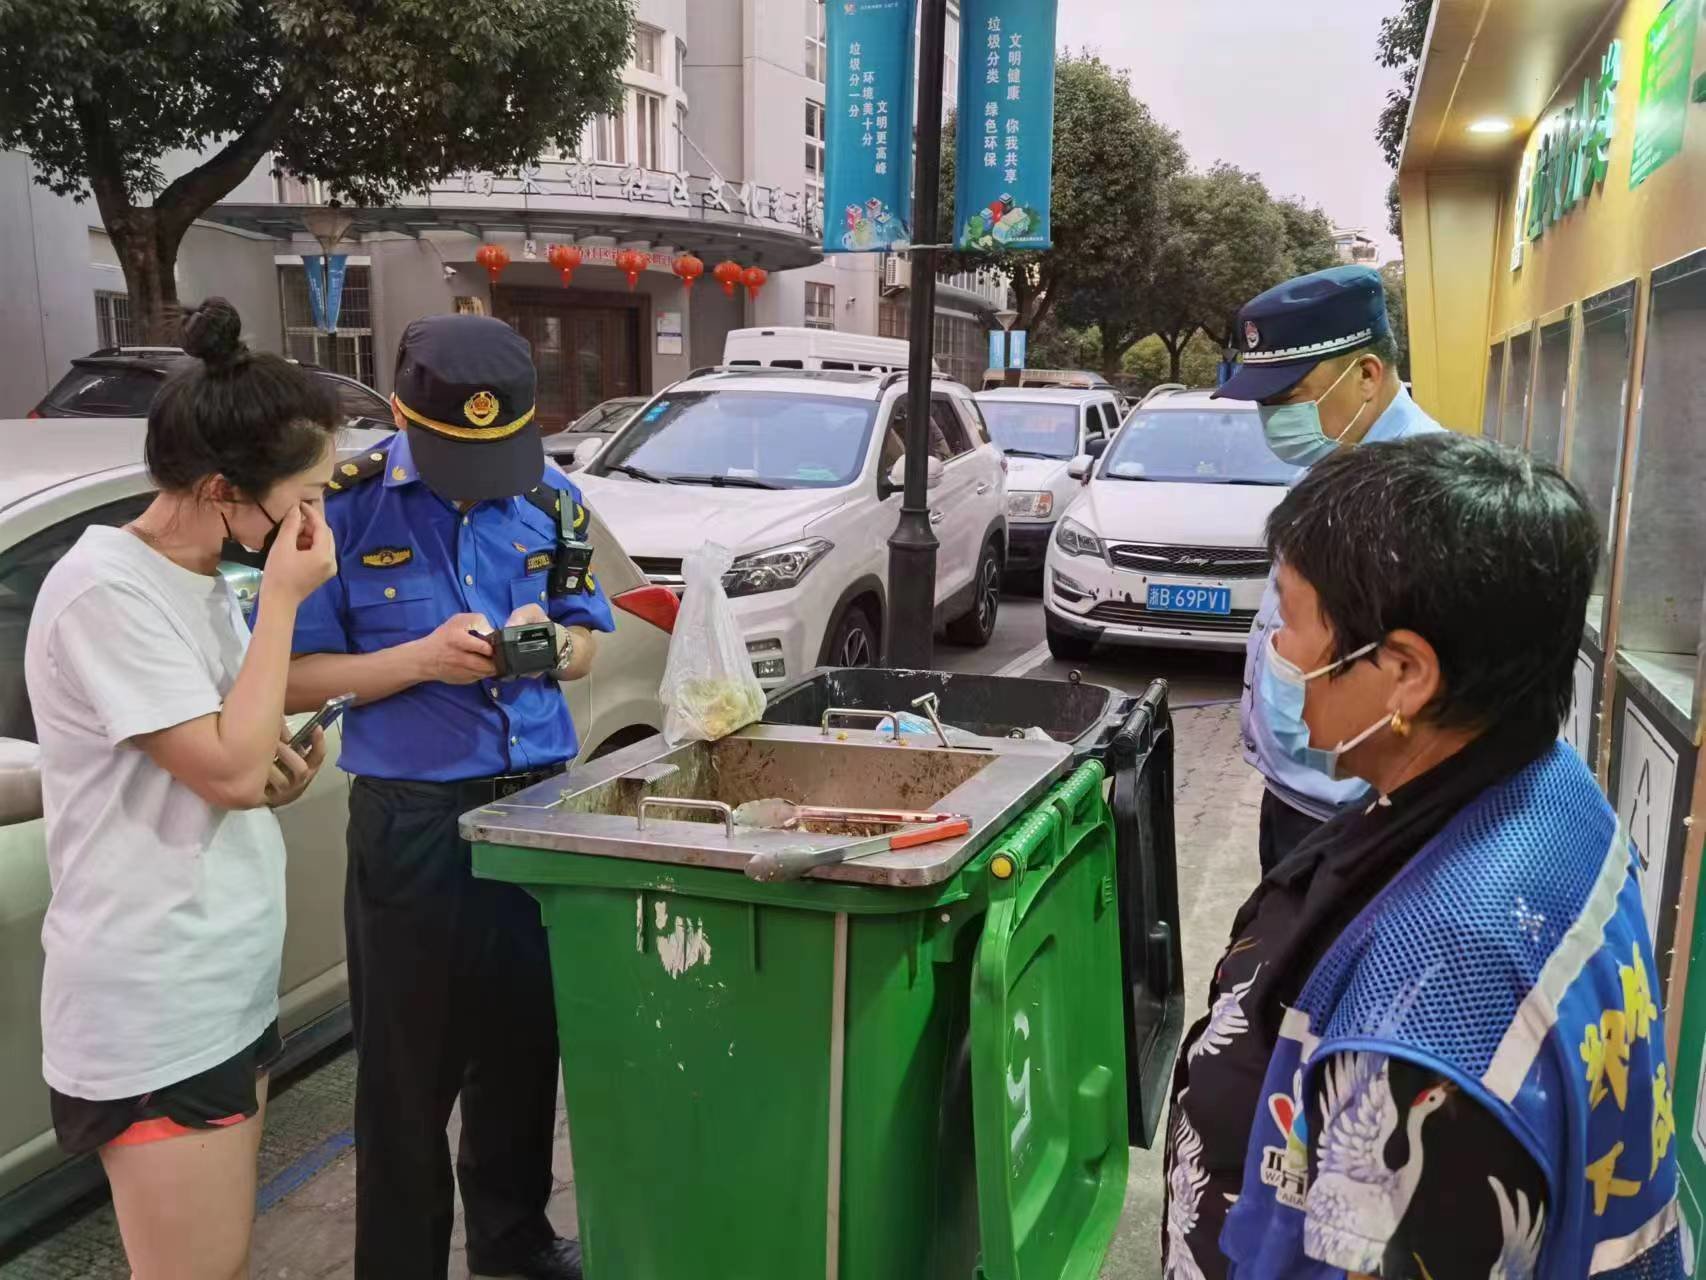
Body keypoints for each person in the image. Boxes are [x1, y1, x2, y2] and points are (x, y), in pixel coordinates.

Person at [1163, 434, 1683, 1280]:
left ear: (1405, 673)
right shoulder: (1544, 786)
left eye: (1290, 621)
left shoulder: (1431, 1014)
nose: (1276, 653)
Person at [281, 314, 613, 1280]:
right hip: (414, 822)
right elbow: (288, 676)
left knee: (523, 1042)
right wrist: (418, 660)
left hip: (539, 807)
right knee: (405, 1072)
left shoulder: (550, 495)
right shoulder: (342, 509)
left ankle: (513, 1243)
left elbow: (590, 633)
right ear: (400, 413)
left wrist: (556, 647)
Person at [24, 298, 337, 1280]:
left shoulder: (196, 573)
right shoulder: (104, 590)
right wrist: (284, 600)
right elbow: (226, 764)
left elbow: (229, 758)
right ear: (218, 487)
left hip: (217, 978)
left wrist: (271, 770)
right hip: (152, 1001)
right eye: (303, 498)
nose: (315, 522)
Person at [1212, 265, 1445, 872]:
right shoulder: (1333, 463)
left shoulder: (1418, 495)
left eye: (1286, 397)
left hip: (1360, 819)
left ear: (1366, 375)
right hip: (1302, 802)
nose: (1272, 417)